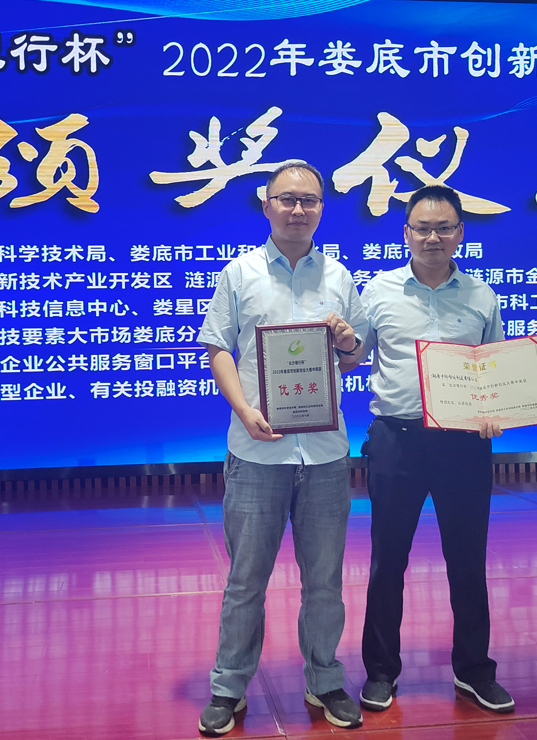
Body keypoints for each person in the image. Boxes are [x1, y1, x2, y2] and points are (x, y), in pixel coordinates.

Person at [195, 162, 369, 736]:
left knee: (325, 581)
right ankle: (228, 686)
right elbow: (218, 348)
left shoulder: (340, 276)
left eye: (309, 200)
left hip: (324, 455)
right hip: (257, 453)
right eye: (287, 199)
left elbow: (353, 357)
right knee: (246, 580)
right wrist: (244, 410)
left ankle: (325, 680)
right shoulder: (239, 274)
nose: (298, 209)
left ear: (322, 208)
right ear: (266, 204)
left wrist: (348, 342)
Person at [342, 184, 515, 715]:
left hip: (464, 446)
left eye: (443, 228)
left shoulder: (482, 296)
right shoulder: (379, 290)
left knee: (468, 561)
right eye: (422, 228)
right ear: (406, 233)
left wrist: (496, 410)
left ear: (460, 233)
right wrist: (337, 340)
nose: (432, 237)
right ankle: (381, 671)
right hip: (396, 442)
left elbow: (496, 370)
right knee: (387, 561)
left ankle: (474, 670)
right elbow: (353, 357)